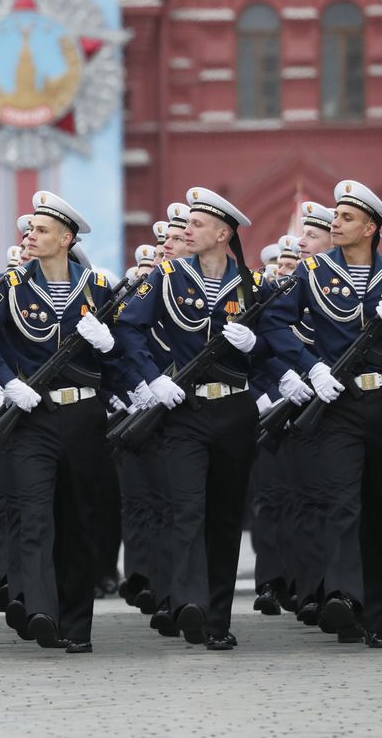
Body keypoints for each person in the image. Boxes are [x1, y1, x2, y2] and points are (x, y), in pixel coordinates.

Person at [0, 191, 124, 653]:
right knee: (34, 515)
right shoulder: (12, 283)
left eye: (40, 230)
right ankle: (40, 610)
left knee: (78, 519)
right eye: (28, 230)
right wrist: (5, 381)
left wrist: (108, 344)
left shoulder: (96, 287)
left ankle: (77, 624)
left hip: (83, 415)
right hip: (32, 415)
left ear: (66, 238)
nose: (29, 236)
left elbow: (128, 348)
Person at [114, 187, 265, 650]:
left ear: (223, 234)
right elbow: (128, 327)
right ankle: (190, 604)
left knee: (222, 516)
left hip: (235, 409)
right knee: (186, 509)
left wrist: (254, 347)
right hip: (183, 410)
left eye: (196, 225)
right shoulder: (164, 277)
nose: (185, 231)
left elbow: (278, 347)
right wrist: (152, 378)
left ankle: (217, 619)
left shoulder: (252, 286)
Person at [261, 181, 382, 645]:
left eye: (348, 217)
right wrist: (309, 367)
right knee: (340, 503)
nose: (337, 221)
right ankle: (345, 597)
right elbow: (274, 320)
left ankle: (374, 612)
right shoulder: (313, 271)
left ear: (370, 228)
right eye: (337, 215)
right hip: (339, 402)